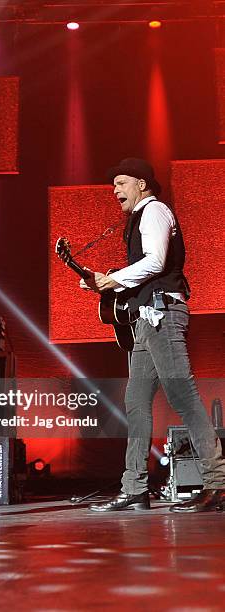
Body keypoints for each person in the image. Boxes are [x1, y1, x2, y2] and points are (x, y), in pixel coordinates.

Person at [80, 158, 225, 513]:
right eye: (114, 184)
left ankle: (218, 483)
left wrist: (113, 279)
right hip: (145, 319)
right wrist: (105, 282)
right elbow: (142, 272)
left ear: (142, 184)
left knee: (183, 397)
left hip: (163, 315)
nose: (115, 190)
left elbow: (156, 262)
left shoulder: (155, 211)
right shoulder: (135, 219)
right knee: (136, 402)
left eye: (121, 183)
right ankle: (135, 488)